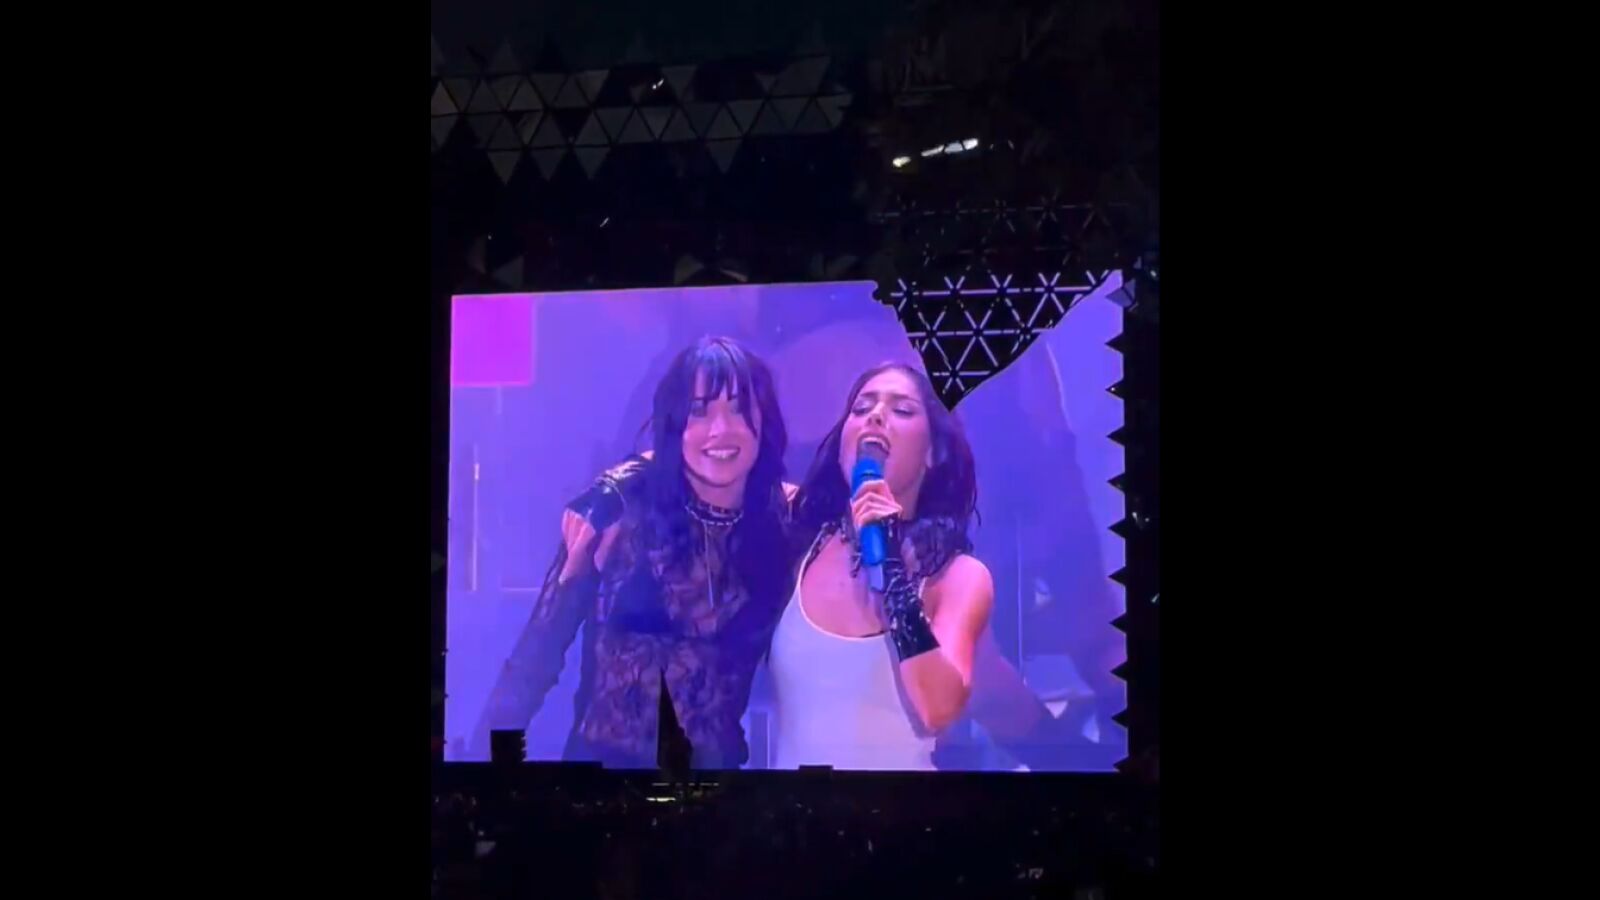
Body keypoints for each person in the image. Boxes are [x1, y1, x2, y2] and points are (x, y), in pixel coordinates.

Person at [469, 336, 795, 768]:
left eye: (738, 409)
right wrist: (482, 771)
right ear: (674, 423)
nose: (721, 429)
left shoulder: (783, 520)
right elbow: (536, 657)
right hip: (601, 785)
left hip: (715, 791)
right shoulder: (621, 509)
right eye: (699, 411)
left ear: (763, 419)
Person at [769, 362, 994, 770]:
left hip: (898, 807)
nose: (874, 416)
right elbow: (714, 465)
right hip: (792, 809)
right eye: (861, 408)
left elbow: (938, 709)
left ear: (933, 453)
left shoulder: (957, 576)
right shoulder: (798, 530)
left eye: (902, 410)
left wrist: (889, 562)